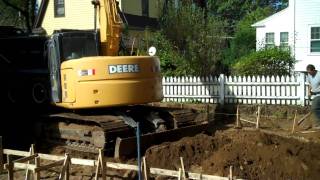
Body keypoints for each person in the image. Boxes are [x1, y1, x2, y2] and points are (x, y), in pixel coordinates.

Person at [306, 64, 320, 129]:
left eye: (310, 72)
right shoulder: (309, 75)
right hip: (314, 94)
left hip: (319, 94)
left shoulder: (319, 75)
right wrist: (309, 92)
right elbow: (310, 84)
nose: (309, 74)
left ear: (313, 70)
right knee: (317, 108)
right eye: (308, 72)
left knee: (314, 108)